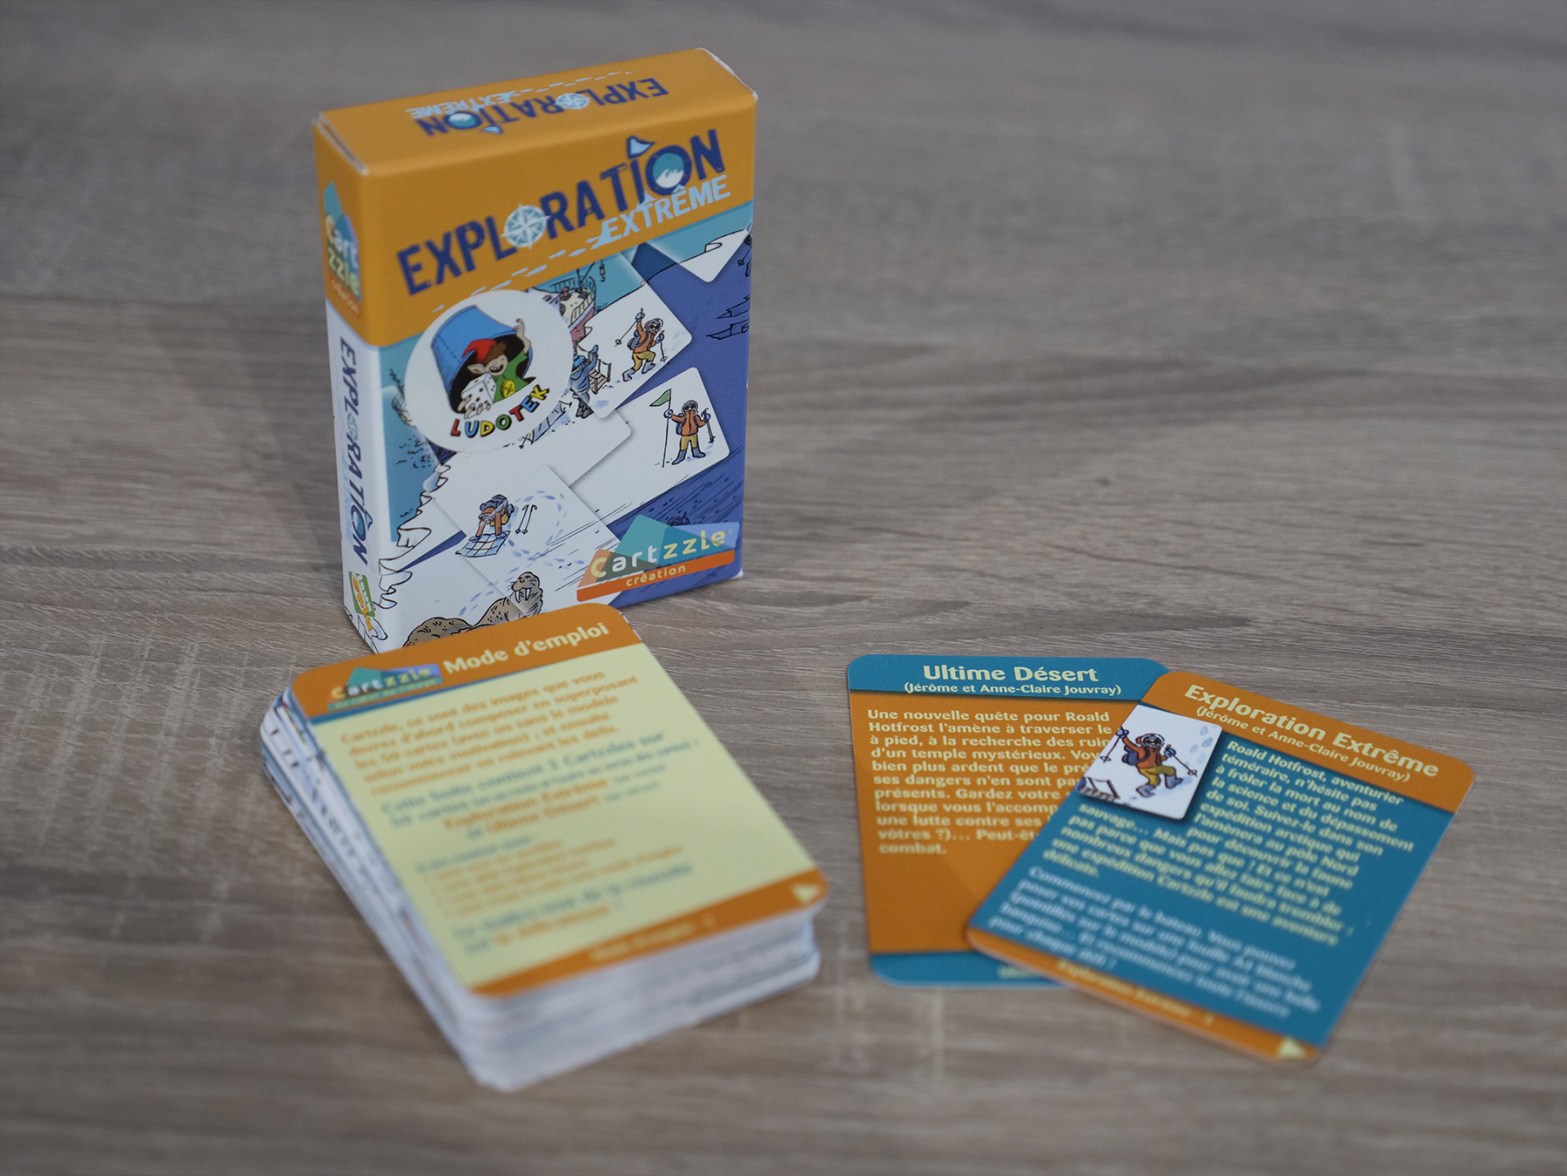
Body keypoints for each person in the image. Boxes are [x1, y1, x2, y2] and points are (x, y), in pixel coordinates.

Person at [1118, 729, 1179, 797]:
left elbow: (1158, 760)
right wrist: (1124, 736)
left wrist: (1166, 756)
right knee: (1170, 770)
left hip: (1144, 769)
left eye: (1155, 742)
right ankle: (1171, 783)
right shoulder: (1142, 750)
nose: (1152, 744)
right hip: (1150, 768)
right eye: (1149, 742)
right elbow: (1130, 744)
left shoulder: (1155, 751)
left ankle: (1143, 789)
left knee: (1155, 781)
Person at [664, 399, 711, 464]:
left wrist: (705, 420)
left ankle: (696, 453)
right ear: (684, 409)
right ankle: (680, 457)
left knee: (695, 445)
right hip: (685, 435)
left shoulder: (696, 417)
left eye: (692, 406)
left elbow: (700, 423)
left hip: (694, 434)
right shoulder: (684, 417)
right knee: (683, 447)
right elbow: (678, 419)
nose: (690, 408)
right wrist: (671, 415)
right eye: (687, 407)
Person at [622, 310, 665, 380]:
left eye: (656, 327)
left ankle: (626, 374)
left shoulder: (651, 337)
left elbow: (651, 344)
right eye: (652, 326)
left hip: (635, 354)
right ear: (648, 326)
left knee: (637, 366)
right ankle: (646, 368)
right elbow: (639, 329)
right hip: (640, 353)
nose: (654, 328)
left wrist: (657, 340)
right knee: (652, 355)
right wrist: (639, 320)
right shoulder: (644, 334)